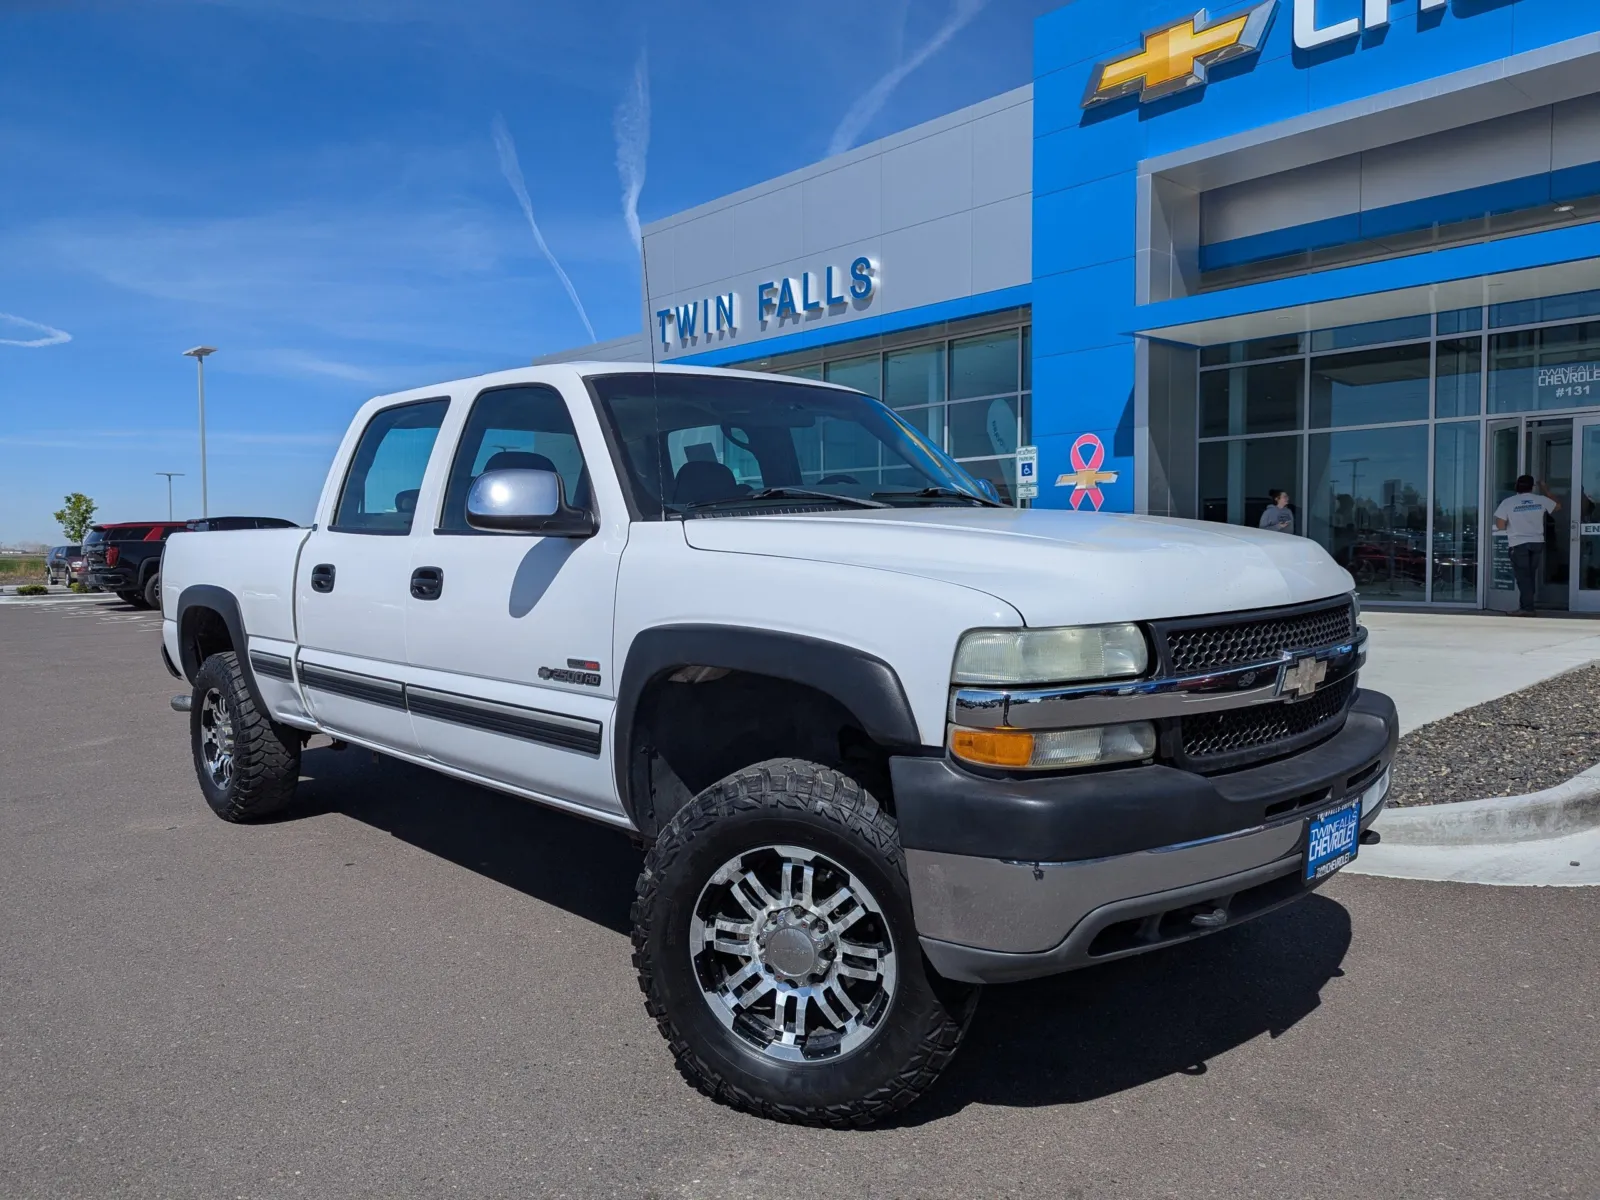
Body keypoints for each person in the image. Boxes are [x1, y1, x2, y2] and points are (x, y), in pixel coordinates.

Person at [1494, 475, 1561, 616]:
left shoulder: (1508, 502)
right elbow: (1558, 506)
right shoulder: (1540, 500)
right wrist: (1545, 490)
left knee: (1523, 577)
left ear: (1516, 486)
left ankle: (1527, 608)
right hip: (1536, 543)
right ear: (1532, 487)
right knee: (1530, 575)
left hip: (1518, 544)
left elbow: (1500, 525)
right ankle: (1527, 605)